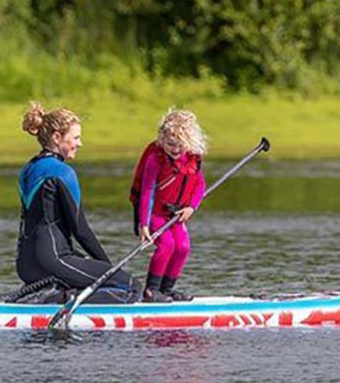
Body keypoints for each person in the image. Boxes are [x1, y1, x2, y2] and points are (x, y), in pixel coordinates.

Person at [16, 102, 139, 302]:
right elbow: (80, 229)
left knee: (87, 268)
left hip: (26, 266)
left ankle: (53, 294)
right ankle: (60, 298)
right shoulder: (63, 172)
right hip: (53, 261)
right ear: (57, 138)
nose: (79, 143)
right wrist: (109, 267)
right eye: (75, 138)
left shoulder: (28, 168)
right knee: (130, 287)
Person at [129, 109, 208, 302]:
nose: (174, 149)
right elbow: (147, 191)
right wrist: (144, 224)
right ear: (162, 140)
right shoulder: (155, 159)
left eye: (180, 145)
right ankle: (151, 290)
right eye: (170, 144)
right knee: (166, 245)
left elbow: (200, 185)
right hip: (154, 213)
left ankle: (166, 289)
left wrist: (191, 207)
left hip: (175, 215)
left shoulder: (191, 159)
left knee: (183, 247)